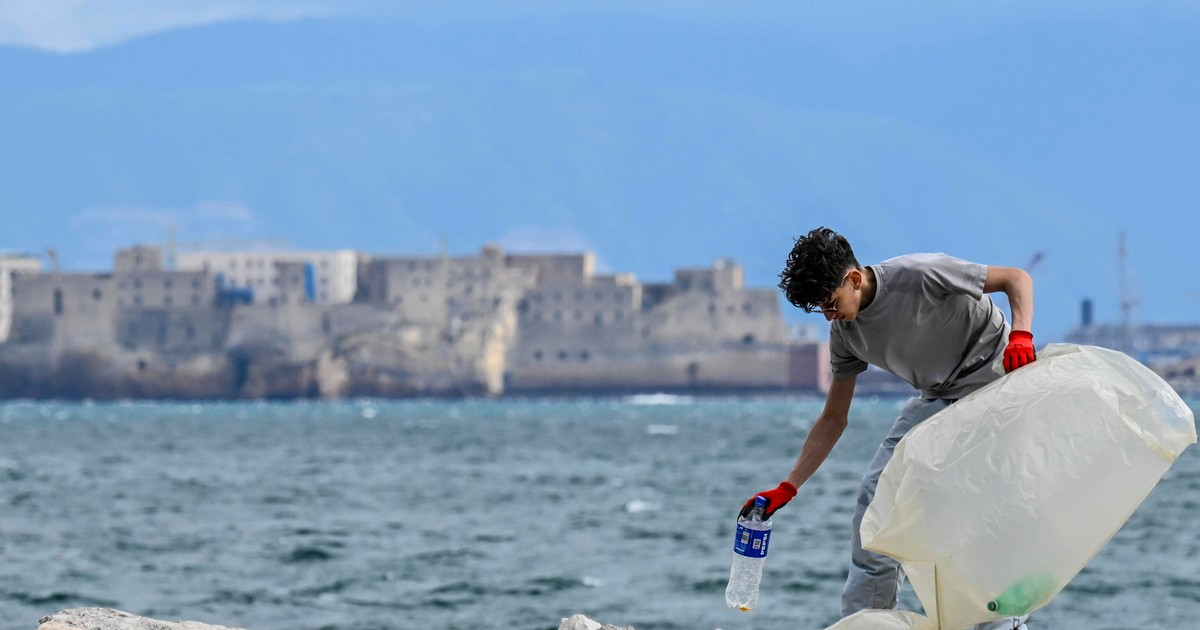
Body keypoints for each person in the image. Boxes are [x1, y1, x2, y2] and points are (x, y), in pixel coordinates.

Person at [742, 227, 1037, 630]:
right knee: (876, 497)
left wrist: (1021, 335)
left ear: (854, 279)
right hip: (941, 395)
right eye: (819, 310)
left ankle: (1001, 625)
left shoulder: (920, 273)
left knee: (971, 511)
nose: (829, 317)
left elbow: (1016, 279)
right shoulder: (845, 333)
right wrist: (788, 486)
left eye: (831, 303)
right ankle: (868, 621)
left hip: (998, 379)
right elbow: (833, 418)